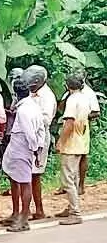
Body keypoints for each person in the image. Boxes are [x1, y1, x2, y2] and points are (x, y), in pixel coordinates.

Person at [1, 78, 45, 233]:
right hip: (22, 148)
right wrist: (38, 149)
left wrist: (34, 149)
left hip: (22, 148)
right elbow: (41, 131)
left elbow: (30, 133)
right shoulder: (33, 106)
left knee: (25, 182)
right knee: (16, 178)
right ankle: (18, 214)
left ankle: (24, 219)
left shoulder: (24, 110)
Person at [55, 73, 91, 225]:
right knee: (74, 177)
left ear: (67, 86)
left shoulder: (72, 100)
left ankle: (75, 212)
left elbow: (69, 123)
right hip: (81, 140)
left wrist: (60, 141)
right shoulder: (84, 98)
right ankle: (71, 207)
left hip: (71, 143)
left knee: (67, 179)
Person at [23, 66, 56, 221]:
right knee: (27, 174)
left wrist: (30, 117)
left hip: (40, 139)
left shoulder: (47, 97)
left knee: (34, 175)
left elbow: (46, 120)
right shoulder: (31, 93)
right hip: (29, 138)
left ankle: (38, 209)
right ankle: (27, 209)